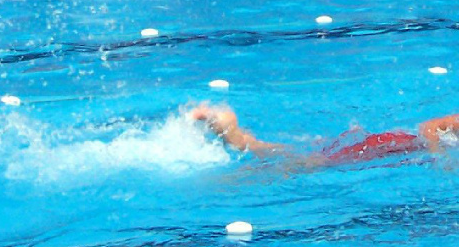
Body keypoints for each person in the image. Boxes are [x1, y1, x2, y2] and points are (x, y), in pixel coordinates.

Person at [191, 104, 458, 167]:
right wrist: (441, 158)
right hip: (389, 145)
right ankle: (234, 136)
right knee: (311, 163)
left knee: (307, 155)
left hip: (390, 145)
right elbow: (429, 127)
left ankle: (236, 136)